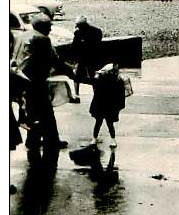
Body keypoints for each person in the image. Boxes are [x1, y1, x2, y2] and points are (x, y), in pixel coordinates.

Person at [11, 14, 75, 161]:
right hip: (35, 81)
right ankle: (51, 141)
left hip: (20, 80)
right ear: (42, 27)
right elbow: (54, 60)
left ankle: (32, 140)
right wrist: (71, 70)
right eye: (49, 26)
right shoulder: (42, 40)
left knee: (32, 112)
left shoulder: (22, 36)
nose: (51, 28)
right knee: (46, 113)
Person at [89, 63, 126, 148]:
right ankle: (111, 140)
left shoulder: (103, 79)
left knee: (101, 122)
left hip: (104, 104)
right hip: (107, 104)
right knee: (107, 123)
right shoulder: (116, 80)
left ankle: (96, 138)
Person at [70, 15, 104, 97]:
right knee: (77, 75)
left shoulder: (95, 31)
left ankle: (95, 93)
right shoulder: (78, 32)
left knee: (92, 75)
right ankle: (77, 94)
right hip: (82, 57)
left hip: (91, 57)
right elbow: (74, 46)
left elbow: (96, 45)